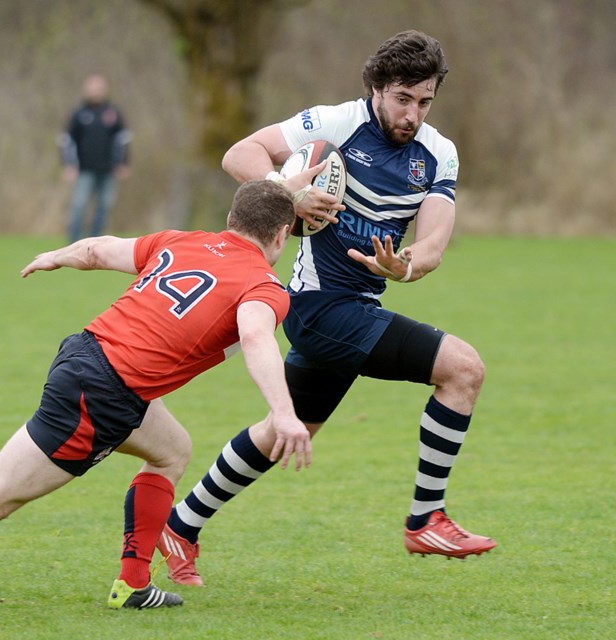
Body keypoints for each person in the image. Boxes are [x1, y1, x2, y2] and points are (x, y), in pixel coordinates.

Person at [0, 179, 315, 615]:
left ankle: (134, 585)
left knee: (171, 450)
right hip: (101, 396)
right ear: (281, 235)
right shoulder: (265, 285)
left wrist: (58, 256)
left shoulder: (181, 240)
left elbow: (99, 251)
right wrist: (284, 414)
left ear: (230, 219)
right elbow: (255, 337)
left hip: (89, 356)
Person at [157, 30, 496, 587]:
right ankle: (425, 518)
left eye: (425, 101)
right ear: (377, 89)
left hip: (354, 306)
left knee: (287, 430)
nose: (412, 113)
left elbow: (432, 244)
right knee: (464, 369)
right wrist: (286, 191)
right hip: (318, 306)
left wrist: (405, 266)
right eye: (402, 98)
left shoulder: (438, 153)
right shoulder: (334, 123)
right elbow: (238, 153)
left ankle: (181, 525)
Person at [59, 74, 131, 242]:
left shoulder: (112, 113)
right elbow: (67, 140)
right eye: (93, 89)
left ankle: (96, 242)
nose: (96, 92)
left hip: (108, 169)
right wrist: (70, 164)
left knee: (104, 206)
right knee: (79, 205)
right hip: (85, 169)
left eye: (99, 89)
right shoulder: (79, 113)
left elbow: (122, 139)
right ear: (86, 90)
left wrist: (122, 163)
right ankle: (74, 240)